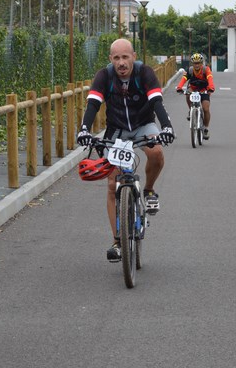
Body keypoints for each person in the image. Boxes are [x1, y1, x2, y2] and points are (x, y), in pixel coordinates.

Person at [76, 38, 175, 262]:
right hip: (117, 130)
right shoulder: (104, 76)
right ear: (111, 59)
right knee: (113, 184)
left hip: (143, 125)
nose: (121, 63)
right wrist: (84, 130)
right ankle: (118, 241)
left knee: (157, 152)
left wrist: (167, 126)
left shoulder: (144, 73)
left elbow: (157, 102)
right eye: (117, 58)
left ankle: (149, 190)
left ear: (134, 56)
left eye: (125, 57)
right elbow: (93, 104)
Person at [176, 52, 215, 139]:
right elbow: (184, 78)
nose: (197, 65)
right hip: (193, 88)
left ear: (201, 63)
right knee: (187, 93)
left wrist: (211, 87)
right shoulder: (190, 70)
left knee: (206, 108)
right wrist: (179, 87)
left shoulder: (206, 69)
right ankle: (191, 110)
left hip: (204, 89)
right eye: (195, 63)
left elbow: (210, 78)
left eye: (198, 63)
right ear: (192, 64)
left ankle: (205, 128)